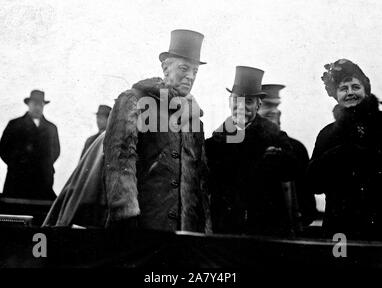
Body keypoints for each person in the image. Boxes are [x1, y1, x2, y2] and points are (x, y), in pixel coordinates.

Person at [44, 29, 211, 233]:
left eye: (195, 71)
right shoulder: (135, 101)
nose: (190, 77)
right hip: (142, 227)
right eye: (184, 68)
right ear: (166, 68)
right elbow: (119, 159)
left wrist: (203, 228)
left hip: (184, 232)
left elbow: (199, 181)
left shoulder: (193, 118)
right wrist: (126, 214)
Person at [205, 66, 298, 236]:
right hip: (226, 232)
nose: (241, 106)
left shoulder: (276, 137)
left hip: (266, 233)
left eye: (248, 101)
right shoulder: (214, 143)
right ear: (229, 101)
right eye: (236, 100)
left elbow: (292, 170)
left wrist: (276, 158)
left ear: (258, 105)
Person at [308, 58, 382, 239]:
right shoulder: (327, 134)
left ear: (365, 90)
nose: (350, 93)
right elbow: (313, 183)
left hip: (379, 227)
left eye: (356, 87)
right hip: (340, 229)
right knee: (340, 266)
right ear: (335, 94)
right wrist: (336, 156)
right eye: (343, 88)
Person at [258, 84, 317, 227]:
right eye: (267, 106)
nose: (274, 111)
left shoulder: (296, 148)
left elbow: (307, 204)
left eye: (276, 106)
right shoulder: (243, 147)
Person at [0, 90, 60, 200]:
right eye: (35, 104)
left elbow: (55, 152)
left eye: (40, 104)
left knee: (41, 212)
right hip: (17, 181)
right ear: (29, 104)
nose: (37, 107)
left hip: (42, 182)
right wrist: (16, 164)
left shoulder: (51, 128)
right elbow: (3, 149)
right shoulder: (15, 125)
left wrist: (44, 165)